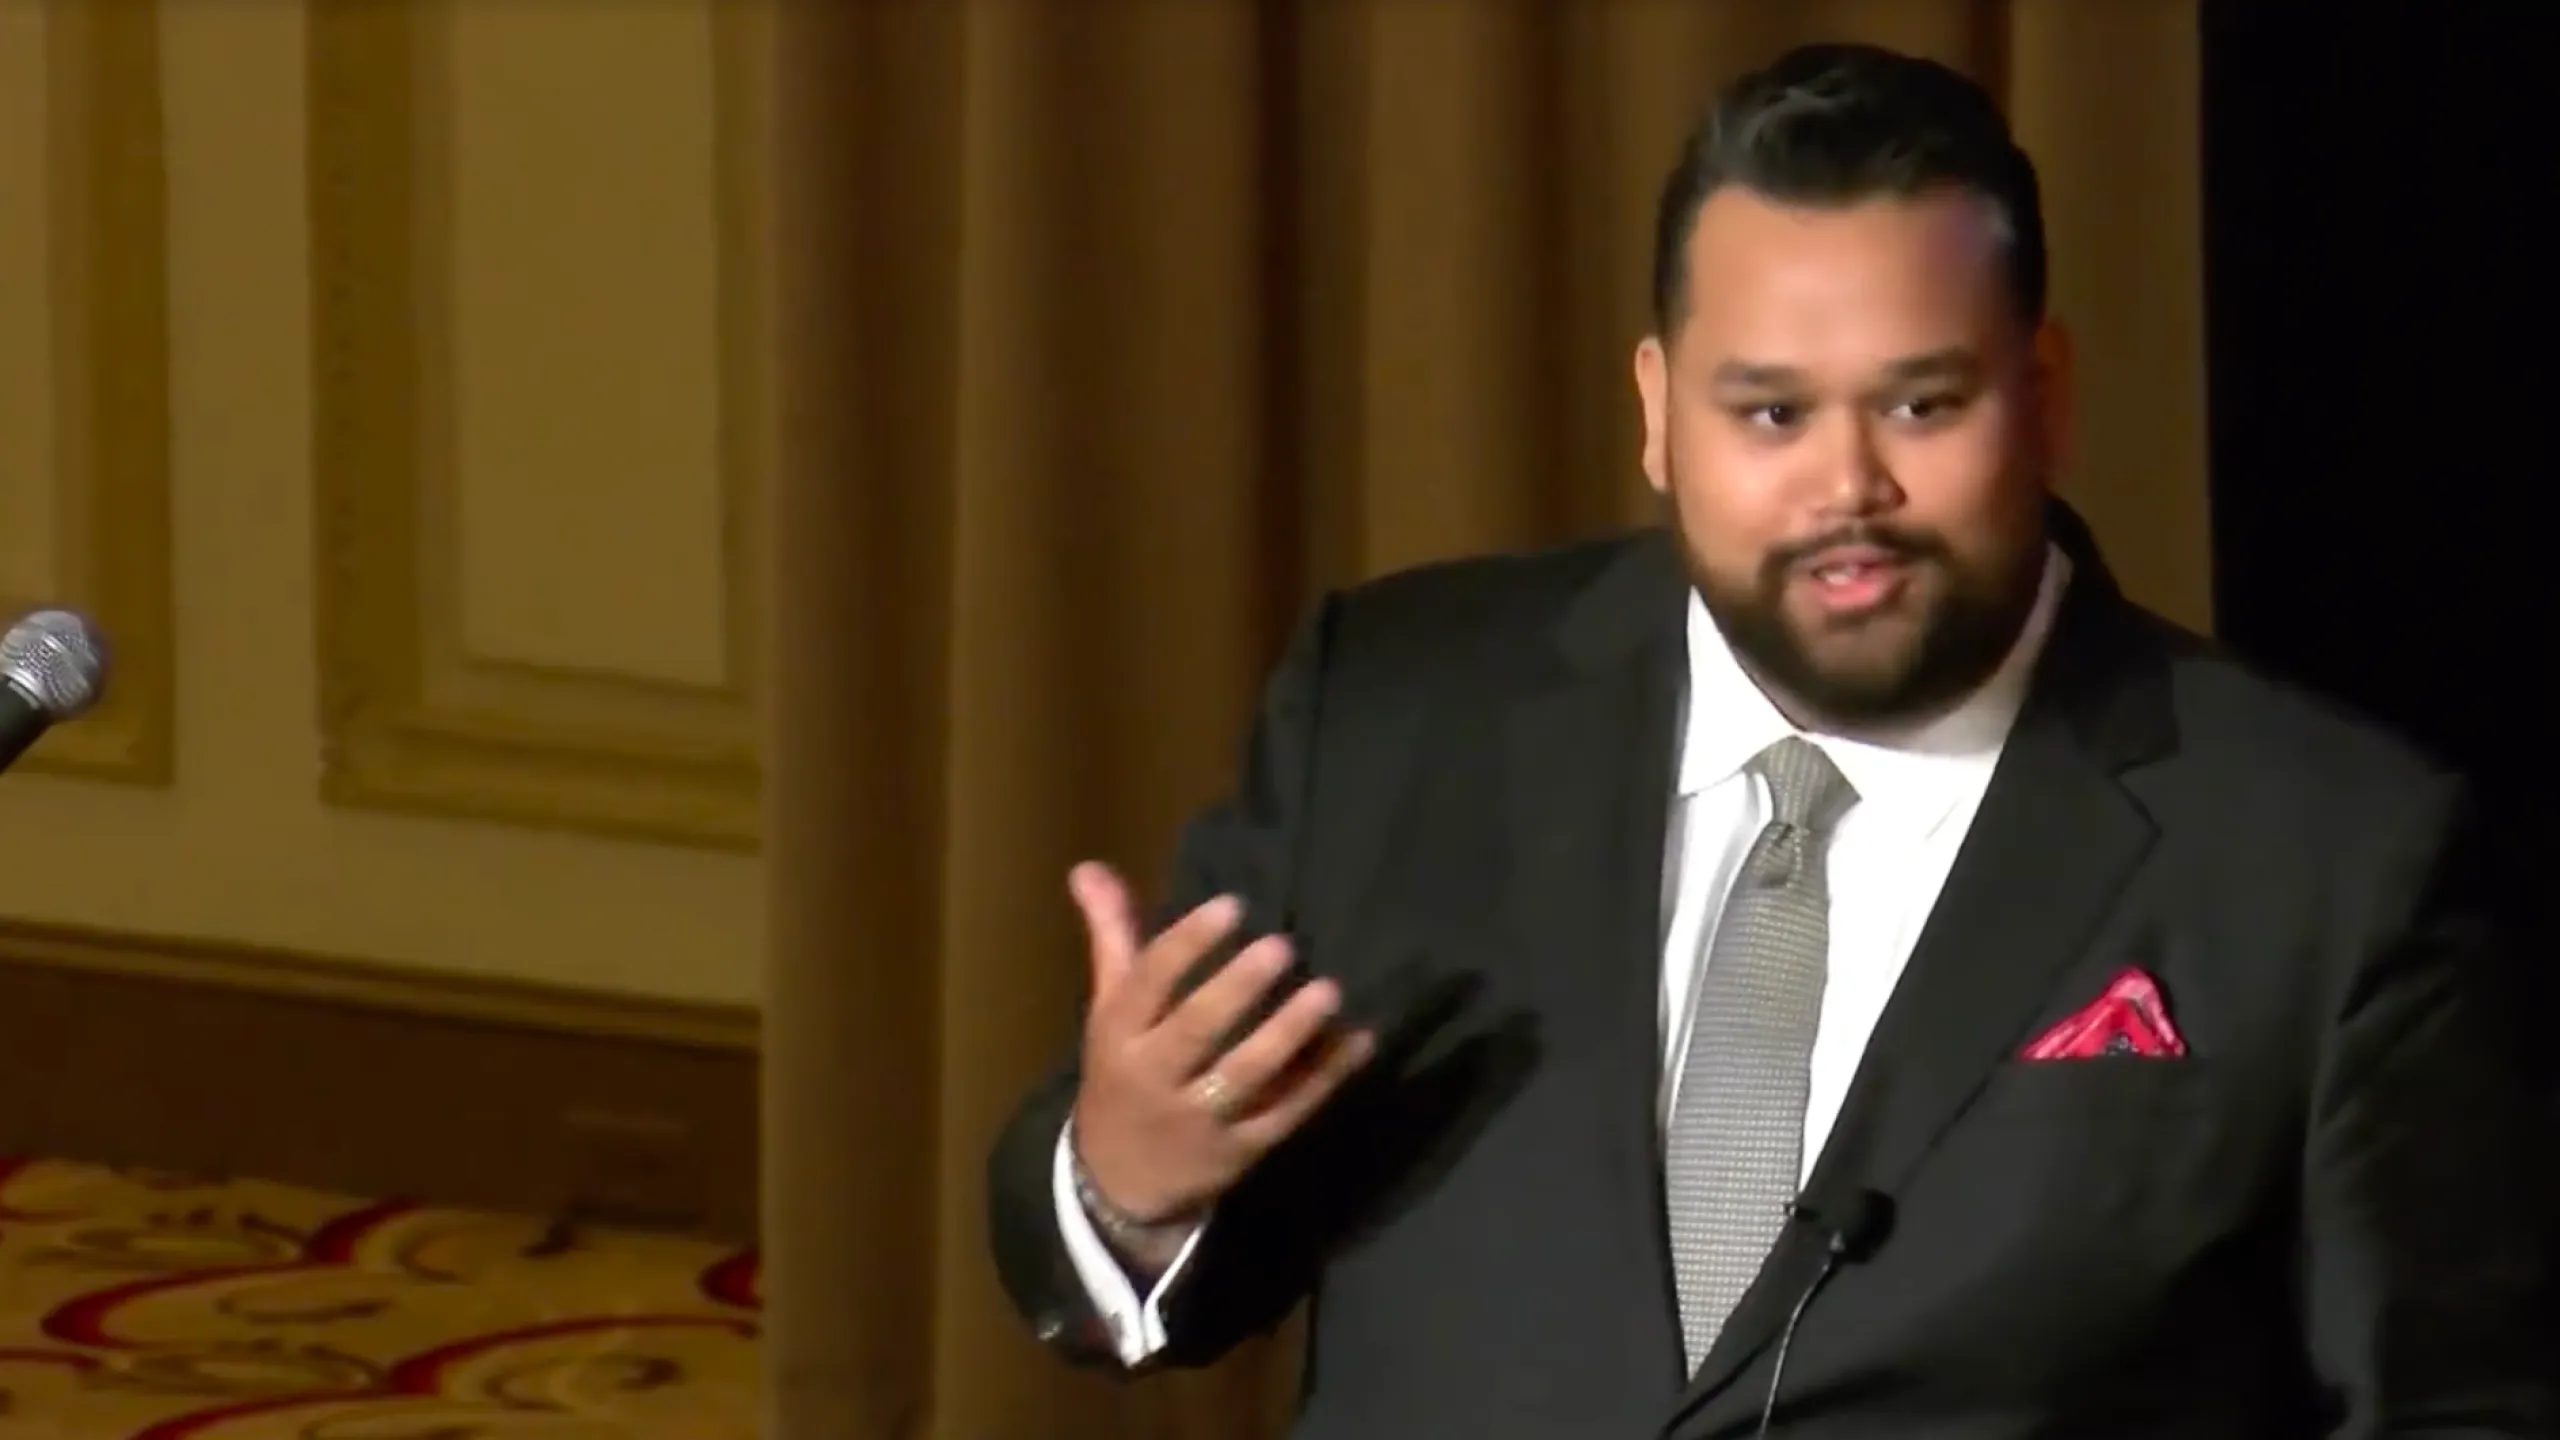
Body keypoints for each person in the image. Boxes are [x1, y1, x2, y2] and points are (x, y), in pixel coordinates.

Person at [983, 40, 2557, 1440]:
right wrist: (1122, 1177)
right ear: (1659, 412)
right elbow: (1156, 1277)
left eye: (1923, 407)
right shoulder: (1400, 715)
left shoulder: (2328, 857)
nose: (1847, 490)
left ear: (2048, 395)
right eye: (1772, 414)